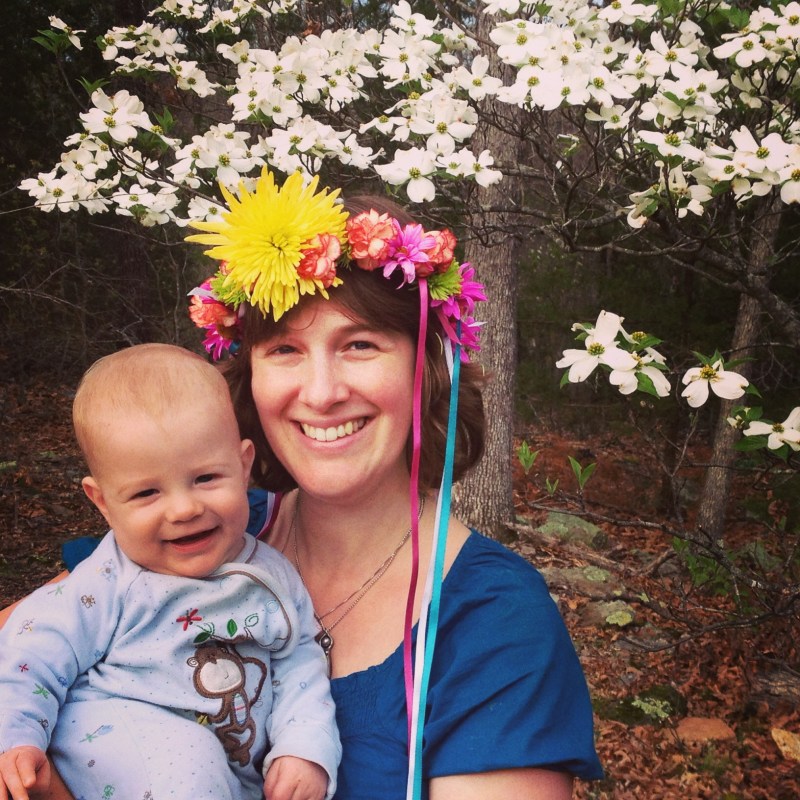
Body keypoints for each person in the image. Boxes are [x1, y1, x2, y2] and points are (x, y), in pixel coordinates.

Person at [4, 169, 603, 799]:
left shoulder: (496, 623)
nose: (321, 393)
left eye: (360, 345)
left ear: (426, 369)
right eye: (285, 350)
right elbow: (31, 648)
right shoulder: (204, 525)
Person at [0, 344, 340, 800]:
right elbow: (31, 653)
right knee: (189, 760)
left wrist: (305, 749)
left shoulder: (272, 576)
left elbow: (301, 662)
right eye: (146, 494)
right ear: (103, 502)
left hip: (227, 775)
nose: (184, 509)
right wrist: (16, 738)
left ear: (243, 467)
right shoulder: (107, 581)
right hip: (122, 742)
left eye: (205, 478)